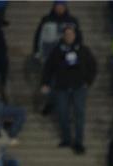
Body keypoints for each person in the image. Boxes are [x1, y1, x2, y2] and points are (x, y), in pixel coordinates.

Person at [41, 26, 97, 154]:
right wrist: (45, 83)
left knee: (79, 114)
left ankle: (78, 142)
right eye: (66, 34)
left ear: (75, 35)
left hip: (79, 87)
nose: (69, 36)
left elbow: (92, 66)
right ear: (63, 36)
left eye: (71, 34)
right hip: (62, 87)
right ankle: (66, 139)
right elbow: (48, 67)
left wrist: (88, 81)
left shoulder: (83, 49)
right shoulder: (57, 50)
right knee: (62, 113)